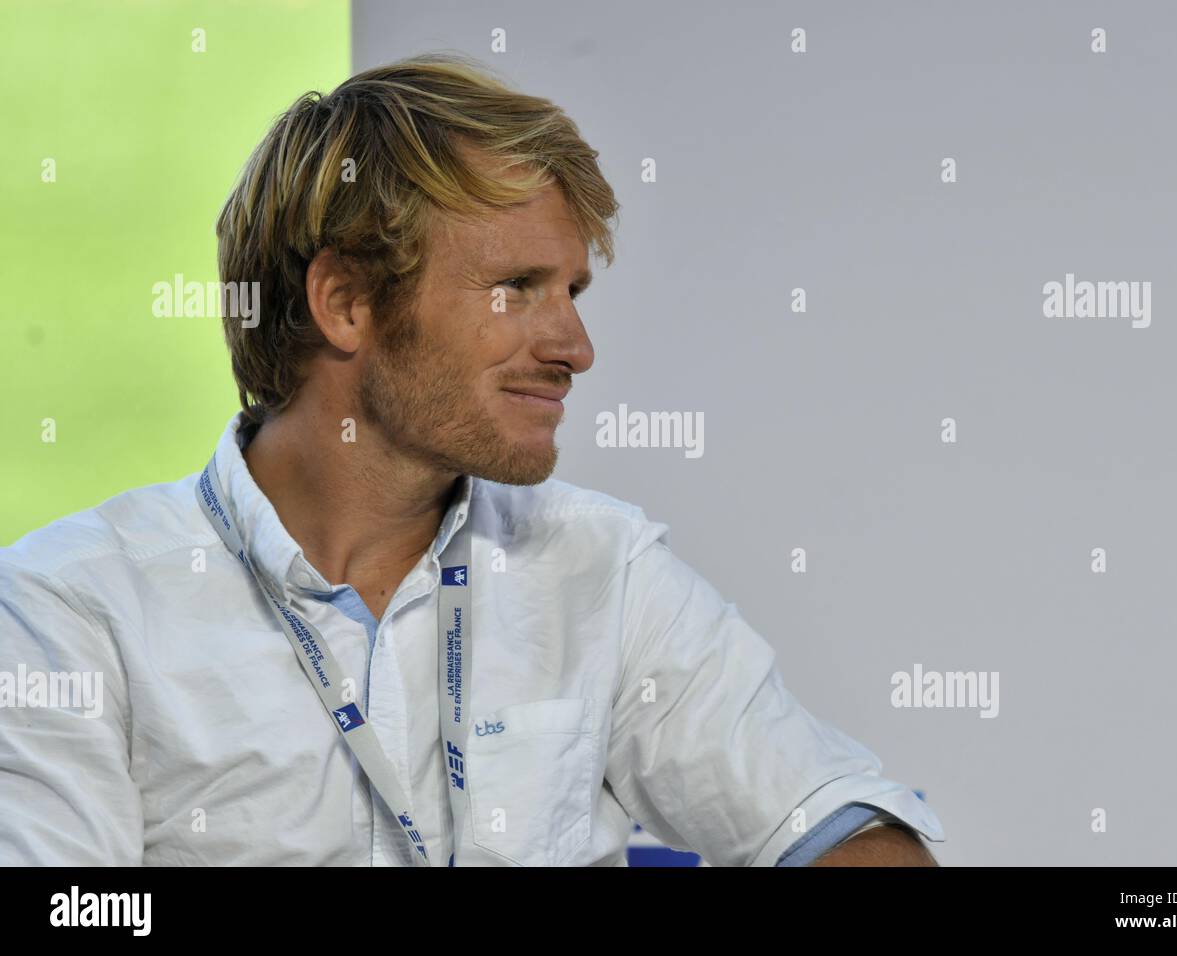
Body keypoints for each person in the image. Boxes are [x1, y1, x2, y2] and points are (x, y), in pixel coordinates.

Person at [0, 53, 944, 866]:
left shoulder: (601, 572)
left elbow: (835, 825)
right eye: (517, 288)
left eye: (571, 289)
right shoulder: (69, 609)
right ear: (347, 303)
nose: (575, 346)